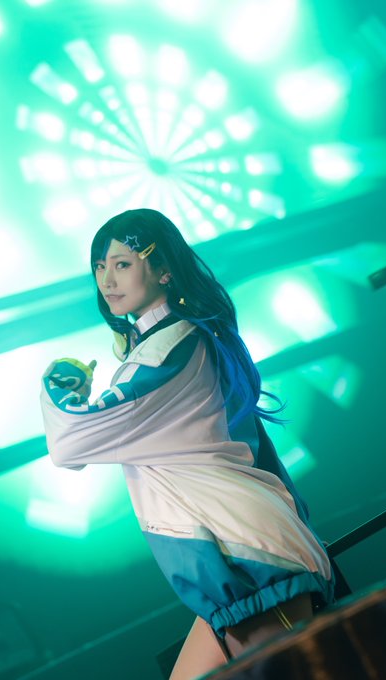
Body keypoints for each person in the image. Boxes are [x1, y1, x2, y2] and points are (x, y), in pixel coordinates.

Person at [40, 208, 335, 678]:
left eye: (122, 264)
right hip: (246, 553)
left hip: (245, 560)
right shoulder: (183, 340)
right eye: (99, 267)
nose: (107, 280)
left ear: (164, 269)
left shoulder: (166, 351)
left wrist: (60, 384)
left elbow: (69, 442)